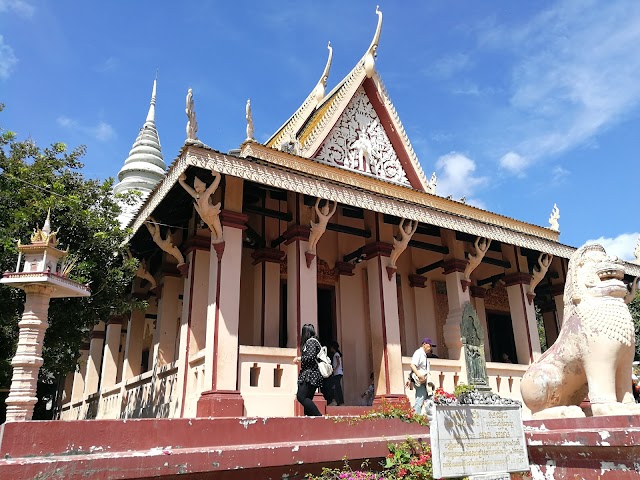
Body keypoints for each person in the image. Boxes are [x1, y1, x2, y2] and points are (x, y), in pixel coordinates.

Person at [293, 324, 323, 416]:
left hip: (310, 375)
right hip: (312, 375)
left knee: (301, 397)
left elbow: (310, 357)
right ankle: (310, 420)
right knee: (307, 398)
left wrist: (299, 358)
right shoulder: (314, 342)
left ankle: (318, 416)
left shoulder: (310, 342)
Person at [410, 337, 436, 415]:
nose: (430, 348)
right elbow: (412, 365)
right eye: (429, 346)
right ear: (424, 344)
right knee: (420, 399)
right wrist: (419, 376)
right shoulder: (419, 353)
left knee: (429, 399)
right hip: (420, 381)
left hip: (425, 381)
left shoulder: (424, 355)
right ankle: (415, 418)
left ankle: (429, 417)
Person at [327, 341, 344, 406]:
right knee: (336, 387)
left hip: (337, 373)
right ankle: (338, 401)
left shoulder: (336, 354)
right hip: (338, 373)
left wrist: (334, 369)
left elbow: (338, 363)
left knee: (336, 387)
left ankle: (339, 401)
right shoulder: (336, 354)